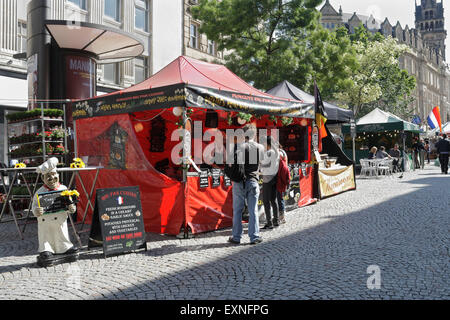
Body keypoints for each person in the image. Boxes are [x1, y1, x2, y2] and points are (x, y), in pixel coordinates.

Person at [31, 158, 78, 266]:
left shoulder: (64, 189)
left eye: (53, 174)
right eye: (48, 176)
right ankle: (46, 250)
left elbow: (70, 204)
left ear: (58, 175)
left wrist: (72, 208)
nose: (52, 178)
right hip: (45, 223)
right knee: (46, 236)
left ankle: (65, 247)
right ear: (43, 178)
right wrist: (36, 211)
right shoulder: (39, 192)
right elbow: (33, 207)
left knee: (62, 234)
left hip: (60, 221)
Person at [228, 124, 264, 245]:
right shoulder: (260, 147)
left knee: (237, 210)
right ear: (254, 134)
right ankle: (254, 237)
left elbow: (230, 163)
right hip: (253, 180)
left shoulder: (238, 147)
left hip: (239, 182)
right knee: (253, 210)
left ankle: (236, 237)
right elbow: (262, 164)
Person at [261, 136, 280, 229]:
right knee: (273, 199)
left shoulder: (268, 153)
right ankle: (276, 220)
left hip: (267, 179)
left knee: (266, 201)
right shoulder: (276, 152)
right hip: (274, 178)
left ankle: (269, 222)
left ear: (266, 143)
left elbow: (263, 167)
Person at [277, 144, 288, 225]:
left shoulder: (279, 153)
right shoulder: (283, 152)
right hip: (282, 177)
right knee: (280, 197)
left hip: (278, 178)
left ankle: (281, 217)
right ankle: (282, 216)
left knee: (279, 198)